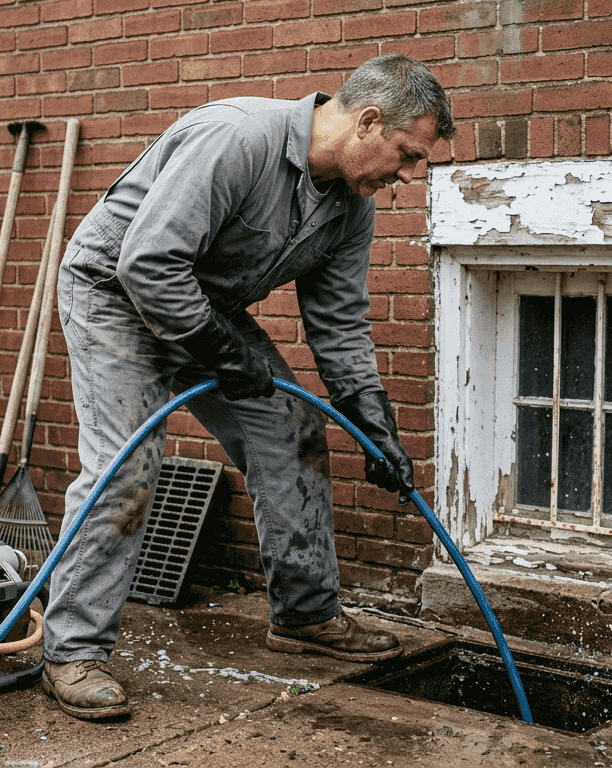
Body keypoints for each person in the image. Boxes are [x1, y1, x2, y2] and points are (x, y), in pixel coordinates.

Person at [41, 53, 455, 721]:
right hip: (114, 291)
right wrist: (222, 351)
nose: (407, 175)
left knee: (291, 429)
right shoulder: (239, 138)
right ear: (369, 121)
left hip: (203, 306)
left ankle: (305, 617)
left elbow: (340, 325)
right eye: (407, 155)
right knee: (129, 467)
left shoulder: (350, 204)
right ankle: (72, 652)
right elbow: (147, 262)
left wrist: (375, 424)